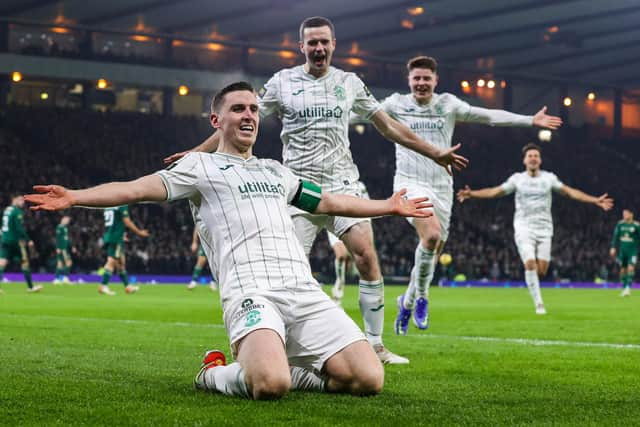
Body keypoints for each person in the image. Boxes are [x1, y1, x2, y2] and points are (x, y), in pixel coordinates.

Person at [25, 82, 434, 400]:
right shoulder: (198, 168)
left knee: (367, 379)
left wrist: (388, 206)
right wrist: (75, 197)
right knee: (269, 387)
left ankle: (283, 365)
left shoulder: (277, 172)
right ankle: (213, 372)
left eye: (254, 108)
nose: (249, 115)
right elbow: (134, 189)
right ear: (216, 120)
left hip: (302, 290)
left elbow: (327, 200)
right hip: (250, 291)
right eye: (238, 108)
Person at [164, 17, 468, 364]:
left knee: (367, 258)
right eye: (312, 43)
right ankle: (278, 345)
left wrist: (434, 151)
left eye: (324, 42)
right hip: (296, 191)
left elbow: (389, 127)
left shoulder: (349, 83)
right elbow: (240, 120)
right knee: (283, 272)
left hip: (342, 185)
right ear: (302, 47)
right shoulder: (282, 83)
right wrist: (198, 153)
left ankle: (376, 346)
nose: (319, 48)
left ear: (333, 45)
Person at [380, 56, 563, 334]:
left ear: (435, 81)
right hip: (409, 182)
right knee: (429, 236)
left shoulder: (447, 104)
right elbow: (362, 113)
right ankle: (421, 298)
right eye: (416, 78)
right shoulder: (395, 104)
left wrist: (530, 120)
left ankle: (406, 300)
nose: (421, 83)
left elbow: (488, 116)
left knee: (433, 248)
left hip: (442, 186)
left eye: (426, 78)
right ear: (409, 81)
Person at [457, 143, 613, 314]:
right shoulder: (517, 179)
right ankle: (539, 304)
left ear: (540, 160)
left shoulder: (549, 178)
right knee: (530, 262)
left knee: (542, 269)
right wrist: (472, 194)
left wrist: (594, 200)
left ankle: (532, 282)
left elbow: (570, 192)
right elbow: (496, 192)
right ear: (524, 160)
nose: (533, 158)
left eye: (536, 156)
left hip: (545, 228)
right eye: (530, 156)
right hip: (524, 226)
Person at [98, 205, 149, 296]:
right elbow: (127, 221)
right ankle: (103, 285)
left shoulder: (109, 206)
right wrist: (139, 232)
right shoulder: (121, 205)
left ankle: (127, 286)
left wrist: (121, 234)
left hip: (112, 236)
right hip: (116, 238)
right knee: (111, 262)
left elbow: (114, 222)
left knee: (121, 262)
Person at [0, 195, 42, 293]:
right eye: (20, 200)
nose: (22, 202)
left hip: (5, 239)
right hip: (15, 241)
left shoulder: (7, 210)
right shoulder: (17, 211)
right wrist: (28, 240)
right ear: (13, 199)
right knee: (25, 262)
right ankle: (30, 287)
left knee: (1, 263)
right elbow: (19, 229)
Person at [610, 209, 639, 297]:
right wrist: (613, 247)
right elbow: (615, 236)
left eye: (626, 214)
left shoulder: (636, 225)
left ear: (631, 214)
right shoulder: (620, 224)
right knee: (623, 270)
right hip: (623, 251)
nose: (624, 215)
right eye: (623, 214)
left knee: (630, 268)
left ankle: (627, 289)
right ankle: (624, 287)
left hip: (633, 251)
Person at [327, 230, 353, 306]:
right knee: (341, 256)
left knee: (345, 256)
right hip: (332, 226)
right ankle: (337, 292)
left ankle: (337, 290)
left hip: (345, 227)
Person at [53, 215, 73, 284]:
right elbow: (57, 238)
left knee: (62, 263)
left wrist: (72, 247)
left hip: (65, 248)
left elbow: (65, 239)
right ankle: (61, 278)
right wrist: (58, 247)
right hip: (62, 248)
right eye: (66, 220)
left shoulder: (65, 227)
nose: (67, 221)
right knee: (66, 263)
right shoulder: (59, 227)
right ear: (63, 219)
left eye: (68, 221)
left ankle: (60, 278)